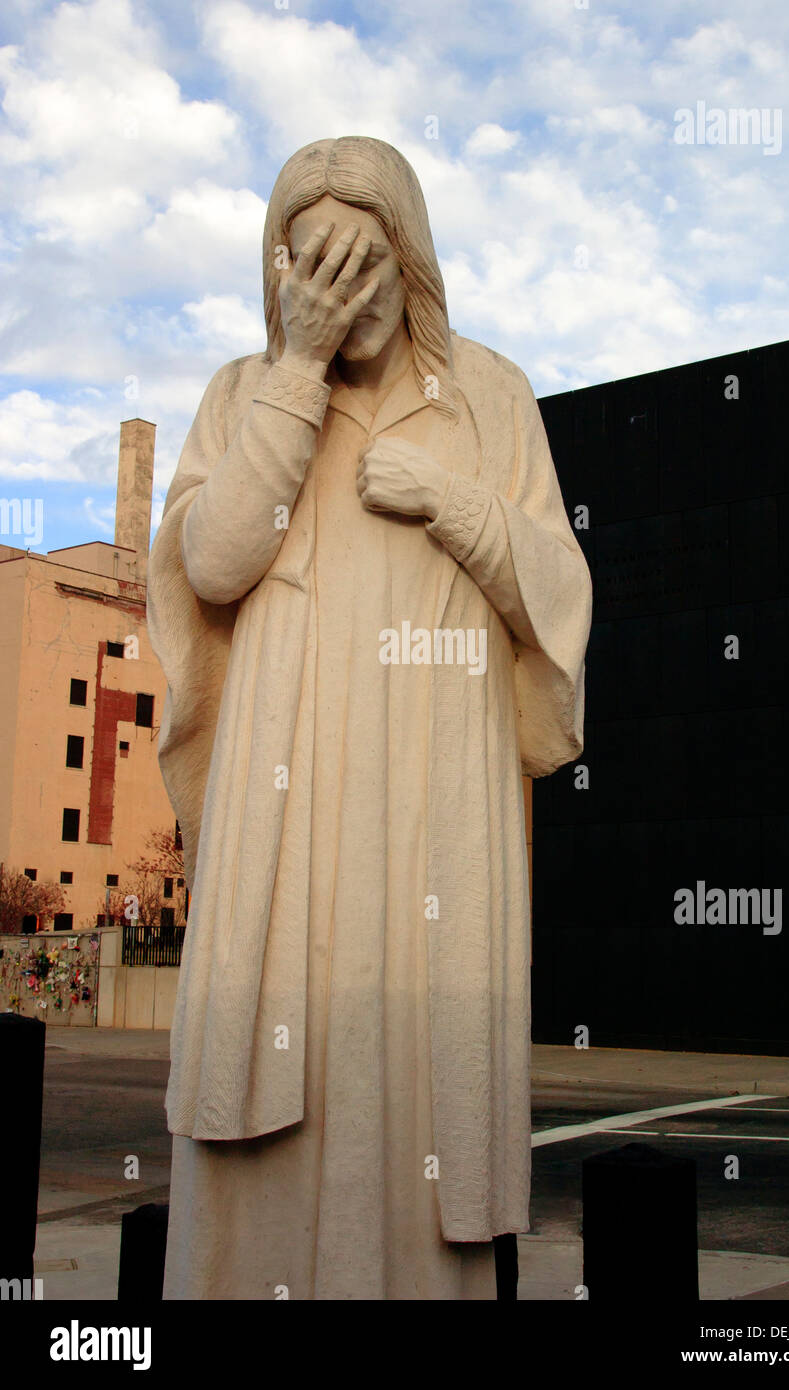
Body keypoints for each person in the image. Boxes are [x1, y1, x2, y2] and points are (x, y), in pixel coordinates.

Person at [147, 136, 591, 1300]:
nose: (347, 291)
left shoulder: (488, 397)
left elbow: (557, 587)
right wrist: (294, 375)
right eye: (318, 266)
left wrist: (448, 503)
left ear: (413, 258)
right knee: (274, 1083)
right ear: (283, 272)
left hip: (432, 788)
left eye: (369, 259)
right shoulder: (244, 393)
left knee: (414, 1072)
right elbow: (214, 558)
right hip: (286, 788)